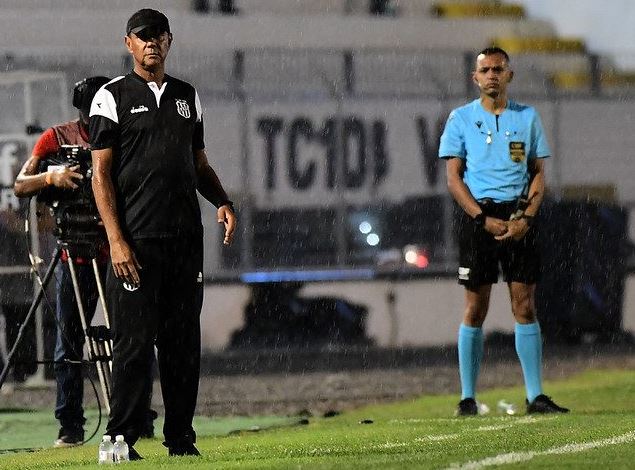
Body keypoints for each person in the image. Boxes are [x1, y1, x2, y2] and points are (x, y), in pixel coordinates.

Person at [89, 8, 236, 459]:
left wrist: (223, 201)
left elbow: (199, 165)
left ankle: (180, 439)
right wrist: (115, 239)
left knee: (181, 346)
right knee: (133, 346)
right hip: (135, 242)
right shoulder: (111, 97)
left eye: (159, 35)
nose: (152, 42)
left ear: (170, 41)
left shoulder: (187, 96)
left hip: (184, 242)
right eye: (143, 35)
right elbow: (101, 174)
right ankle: (118, 438)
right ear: (128, 43)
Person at [13, 76, 156, 446]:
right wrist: (52, 175)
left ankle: (137, 416)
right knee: (68, 342)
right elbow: (20, 184)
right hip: (74, 251)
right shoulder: (56, 137)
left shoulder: (126, 136)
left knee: (130, 336)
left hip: (118, 251)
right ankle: (70, 425)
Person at [438, 47, 569, 416]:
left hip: (518, 216)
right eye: (485, 69)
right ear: (475, 78)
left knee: (525, 305)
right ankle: (466, 397)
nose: (492, 74)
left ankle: (535, 396)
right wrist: (481, 218)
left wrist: (525, 219)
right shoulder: (460, 118)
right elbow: (453, 178)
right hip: (479, 218)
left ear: (509, 75)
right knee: (475, 307)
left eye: (498, 69)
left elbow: (539, 173)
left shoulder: (527, 118)